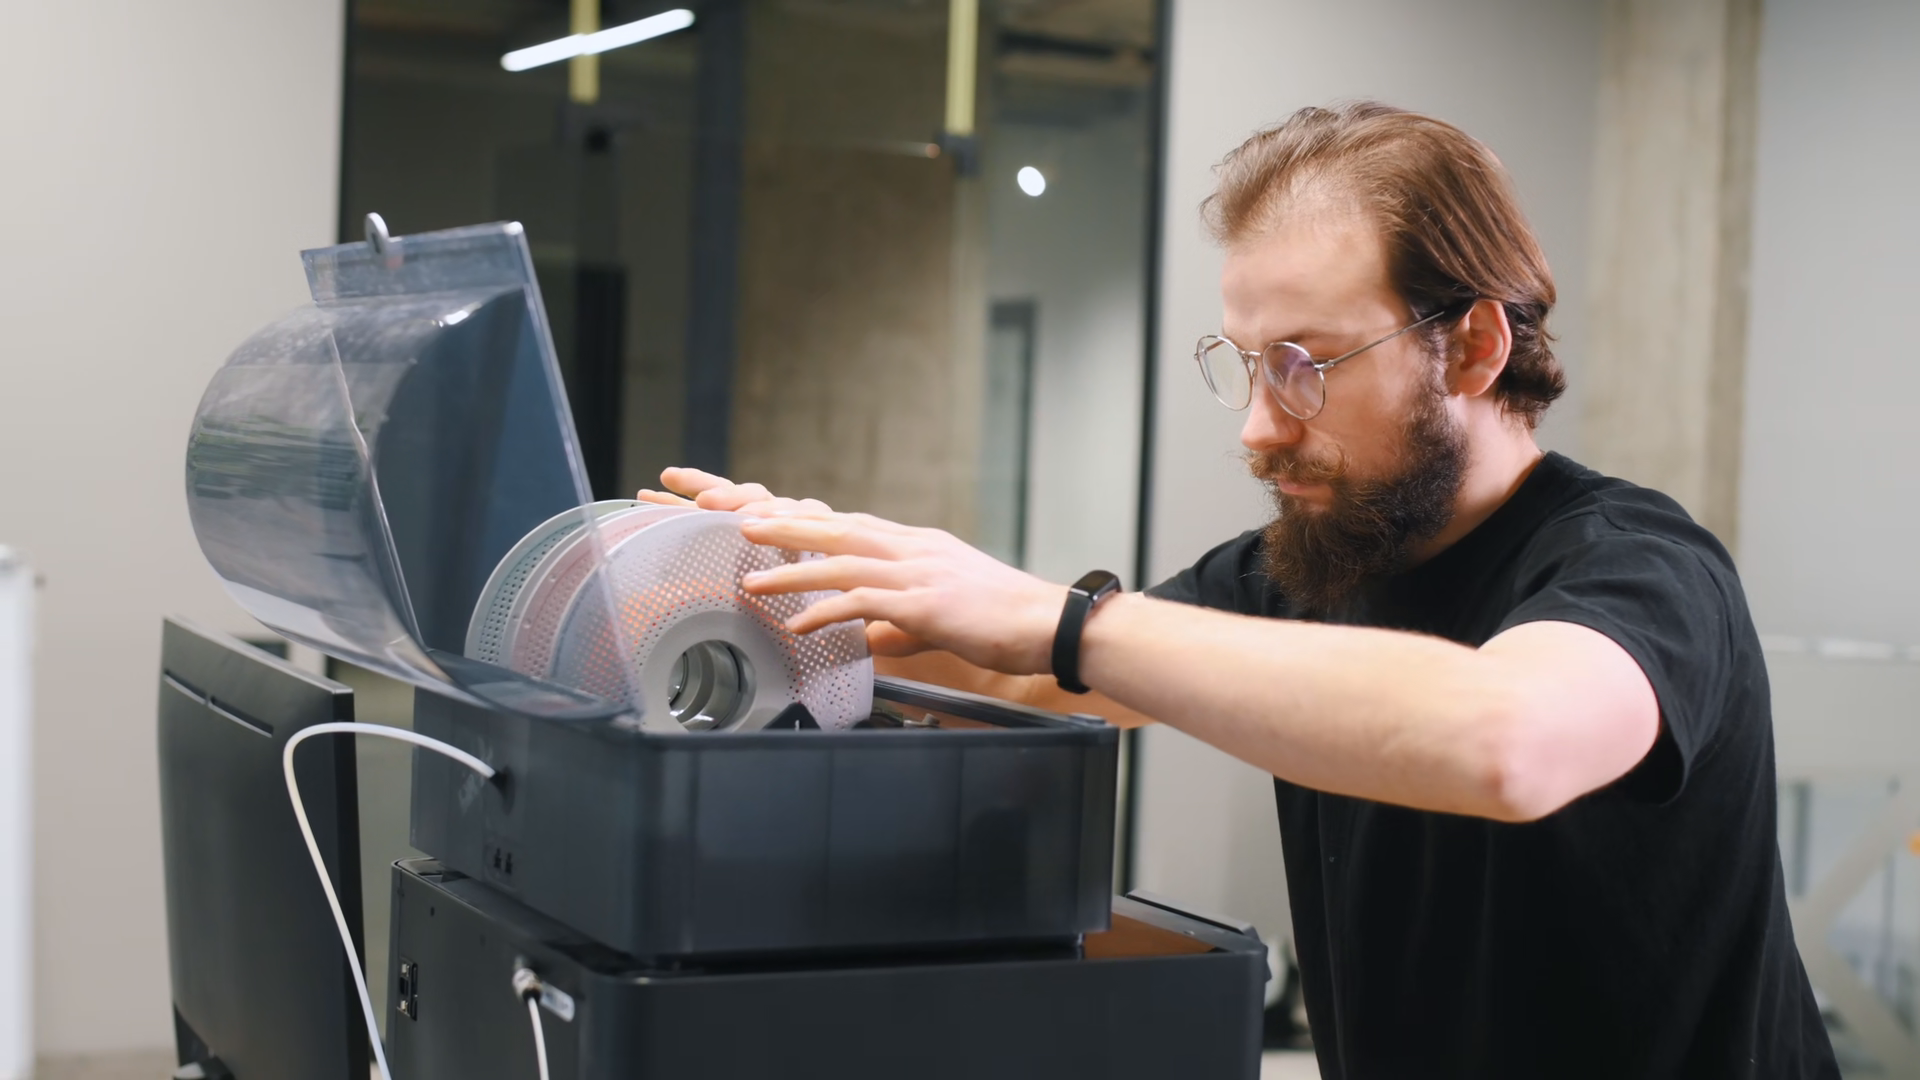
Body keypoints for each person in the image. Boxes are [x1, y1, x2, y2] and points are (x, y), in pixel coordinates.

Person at [639, 102, 1838, 1079]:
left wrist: (1065, 619)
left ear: (1474, 348)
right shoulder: (1310, 568)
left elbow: (1504, 740)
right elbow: (1035, 675)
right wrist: (787, 588)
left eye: (1308, 365)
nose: (1261, 428)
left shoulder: (1637, 563)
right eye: (1250, 366)